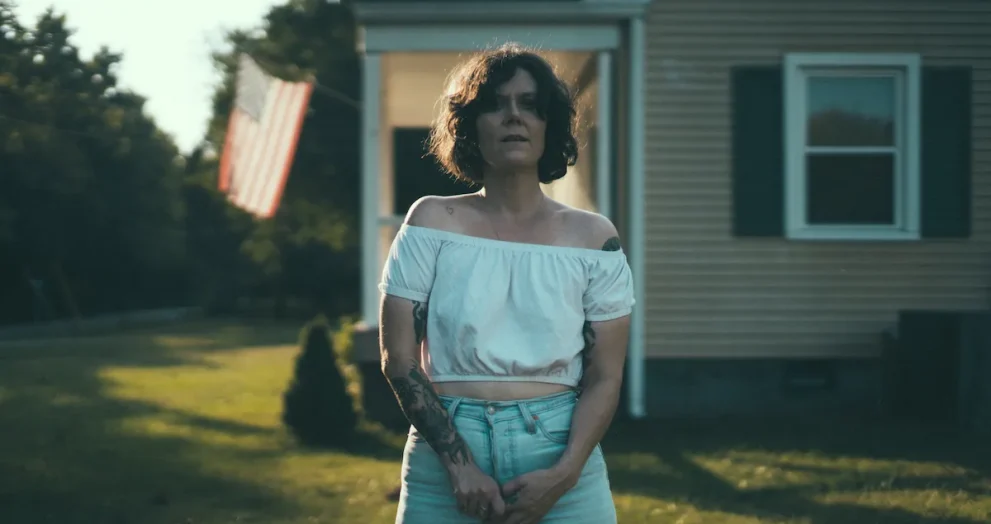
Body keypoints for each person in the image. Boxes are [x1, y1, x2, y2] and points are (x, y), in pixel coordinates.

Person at [378, 43, 635, 524]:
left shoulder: (595, 238)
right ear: (471, 126)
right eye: (495, 104)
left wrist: (565, 474)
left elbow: (605, 376)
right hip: (444, 457)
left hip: (561, 454)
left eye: (530, 105)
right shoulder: (432, 220)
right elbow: (400, 359)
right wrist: (461, 467)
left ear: (548, 125)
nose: (513, 117)